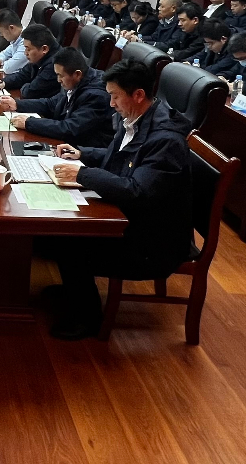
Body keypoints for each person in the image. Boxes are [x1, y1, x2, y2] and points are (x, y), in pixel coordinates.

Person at [37, 59, 194, 339]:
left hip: (153, 243)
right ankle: (74, 292)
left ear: (138, 94)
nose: (111, 103)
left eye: (115, 96)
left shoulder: (166, 140)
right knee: (54, 235)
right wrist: (82, 154)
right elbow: (119, 158)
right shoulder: (137, 118)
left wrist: (83, 174)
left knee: (69, 242)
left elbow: (137, 191)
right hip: (132, 219)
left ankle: (87, 320)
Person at [2, 48, 113, 147]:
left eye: (61, 75)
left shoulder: (96, 96)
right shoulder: (77, 82)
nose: (58, 80)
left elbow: (70, 129)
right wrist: (17, 104)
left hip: (84, 151)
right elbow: (51, 103)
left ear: (77, 74)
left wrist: (29, 123)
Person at [0, 24, 61, 101]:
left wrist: (25, 85)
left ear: (44, 49)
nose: (25, 53)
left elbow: (30, 92)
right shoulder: (40, 57)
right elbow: (23, 74)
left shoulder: (55, 65)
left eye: (28, 49)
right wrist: (4, 82)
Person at [0, 11, 28, 76]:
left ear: (11, 28)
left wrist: (1, 63)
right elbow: (4, 53)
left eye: (1, 31)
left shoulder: (26, 41)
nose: (1, 35)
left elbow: (9, 68)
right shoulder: (16, 39)